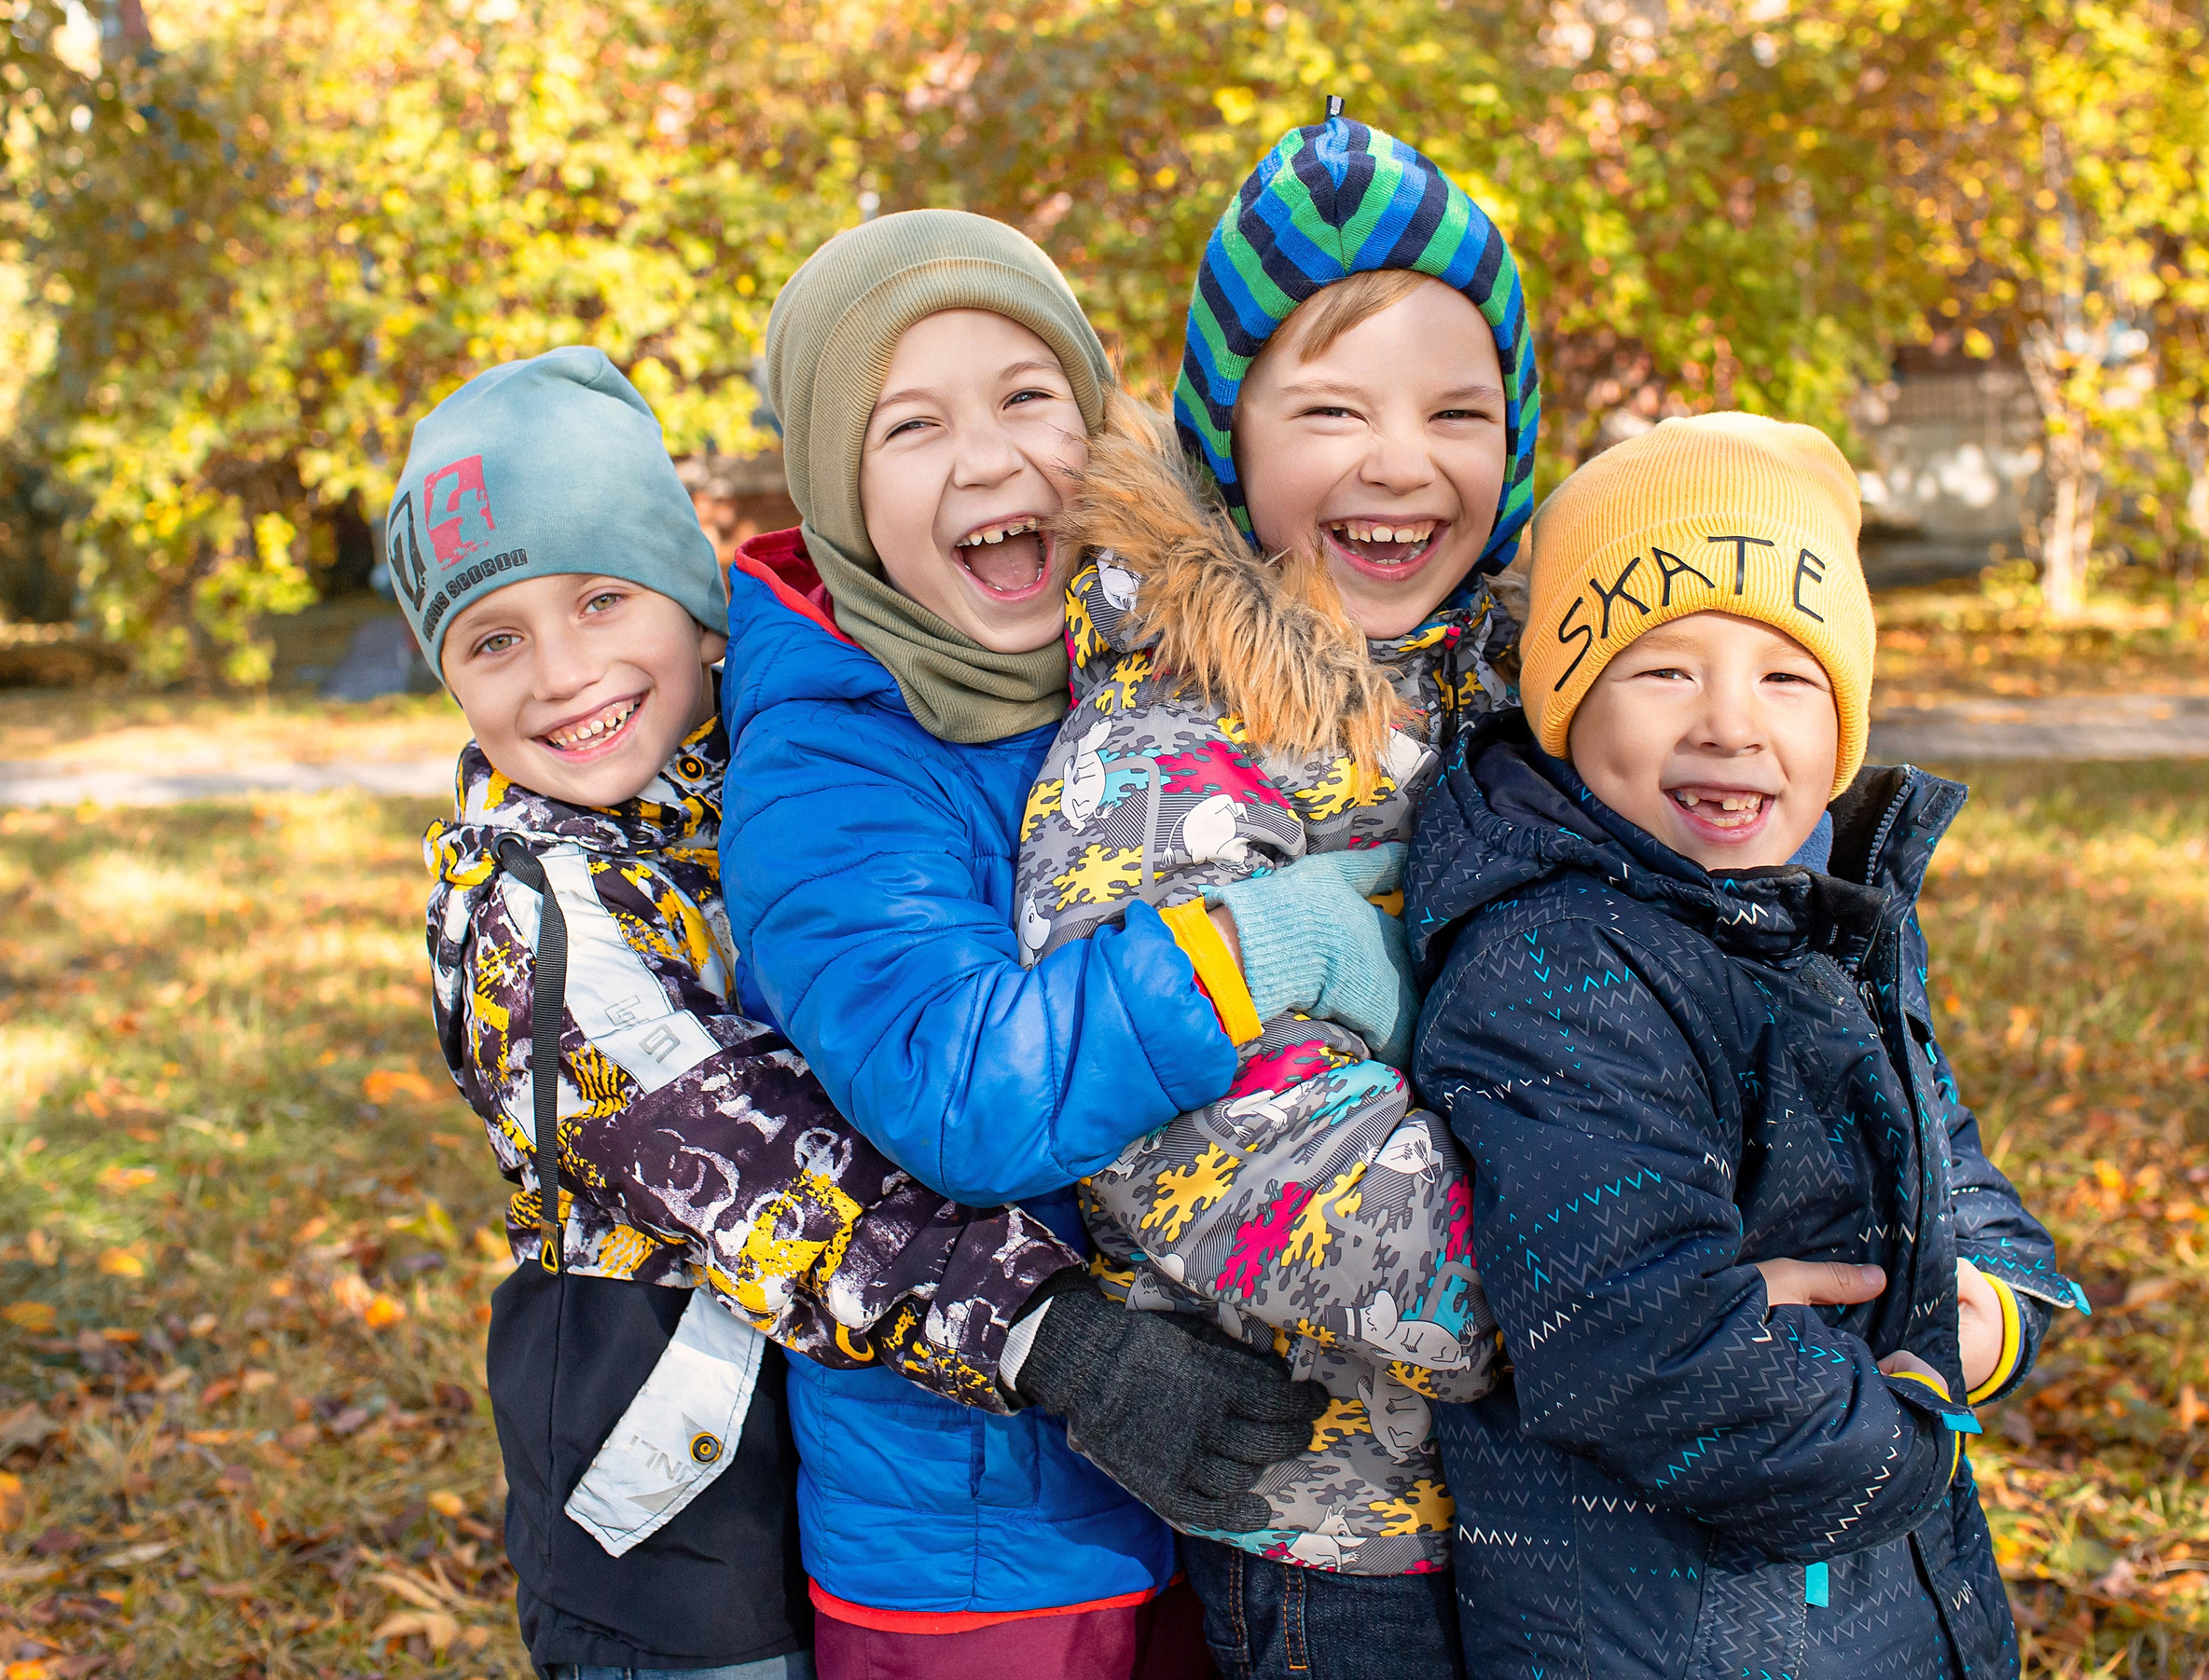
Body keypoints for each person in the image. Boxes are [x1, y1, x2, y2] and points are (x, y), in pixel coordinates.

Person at [394, 347, 1277, 1676]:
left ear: (698, 610)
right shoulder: (534, 912)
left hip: (811, 1426)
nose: (564, 672)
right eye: (494, 640)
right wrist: (1054, 1336)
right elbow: (753, 1168)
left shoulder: (763, 773)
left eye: (600, 598)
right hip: (661, 1503)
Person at [721, 210, 1385, 1675]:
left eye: (1030, 396)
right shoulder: (828, 771)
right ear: (839, 485)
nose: (990, 457)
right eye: (910, 425)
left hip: (1207, 1475)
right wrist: (1267, 945)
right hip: (976, 1550)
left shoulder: (1131, 671)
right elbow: (965, 1090)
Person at [1403, 413, 2084, 1680]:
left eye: (1785, 674)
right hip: (1672, 1626)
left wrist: (1993, 1307)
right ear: (1565, 704)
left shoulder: (1827, 918)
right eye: (1663, 669)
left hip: (1871, 1593)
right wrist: (1908, 1435)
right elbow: (1639, 1341)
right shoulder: (1555, 961)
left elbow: (1951, 1161)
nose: (1728, 721)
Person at [1009, 112, 1536, 1680]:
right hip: (1341, 1535)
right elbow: (1216, 1153)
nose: (1401, 459)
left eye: (1460, 407)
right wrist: (1622, 1286)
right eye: (1332, 408)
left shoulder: (1533, 707)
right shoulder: (1164, 745)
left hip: (1561, 1502)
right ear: (1230, 436)